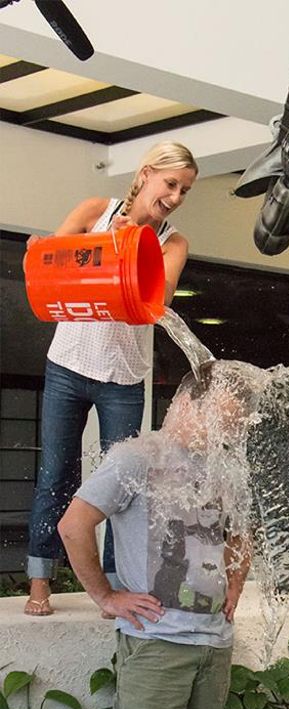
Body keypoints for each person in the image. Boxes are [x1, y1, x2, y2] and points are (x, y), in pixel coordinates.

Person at [57, 364, 252, 709]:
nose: (225, 435)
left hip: (213, 645)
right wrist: (105, 596)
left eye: (233, 427)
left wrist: (235, 583)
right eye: (222, 422)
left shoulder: (224, 468)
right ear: (187, 403)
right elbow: (74, 525)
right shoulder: (135, 458)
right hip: (157, 642)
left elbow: (240, 536)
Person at [24, 141, 198, 616]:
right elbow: (52, 262)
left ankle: (116, 586)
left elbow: (155, 303)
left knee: (122, 481)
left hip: (123, 377)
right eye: (170, 184)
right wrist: (99, 244)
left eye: (184, 190)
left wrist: (132, 249)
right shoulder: (93, 210)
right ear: (145, 175)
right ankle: (40, 582)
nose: (176, 196)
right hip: (67, 365)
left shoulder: (173, 243)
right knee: (56, 473)